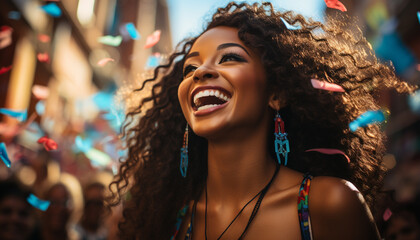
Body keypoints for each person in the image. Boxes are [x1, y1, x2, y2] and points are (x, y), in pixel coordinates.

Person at [110, 2, 417, 239]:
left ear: (277, 93)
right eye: (190, 68)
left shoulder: (328, 204)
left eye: (230, 57)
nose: (200, 73)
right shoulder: (172, 219)